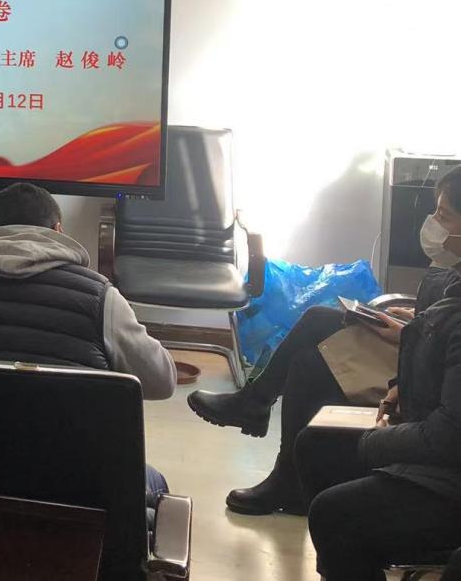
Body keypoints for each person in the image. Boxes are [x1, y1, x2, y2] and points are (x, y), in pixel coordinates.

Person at [187, 165, 461, 515]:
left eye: (443, 215)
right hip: (414, 344)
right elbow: (438, 319)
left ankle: (265, 429)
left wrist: (405, 331)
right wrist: (410, 318)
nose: (433, 224)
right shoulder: (451, 269)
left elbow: (444, 342)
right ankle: (264, 425)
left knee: (310, 364)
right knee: (318, 320)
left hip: (420, 364)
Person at [0, 182, 175, 502]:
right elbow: (162, 381)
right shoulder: (100, 295)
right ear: (57, 229)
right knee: (155, 481)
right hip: (74, 481)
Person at [300, 270, 461, 579]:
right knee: (315, 445)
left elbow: (448, 435)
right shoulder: (449, 281)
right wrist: (402, 383)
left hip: (449, 466)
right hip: (435, 437)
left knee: (335, 515)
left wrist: (375, 441)